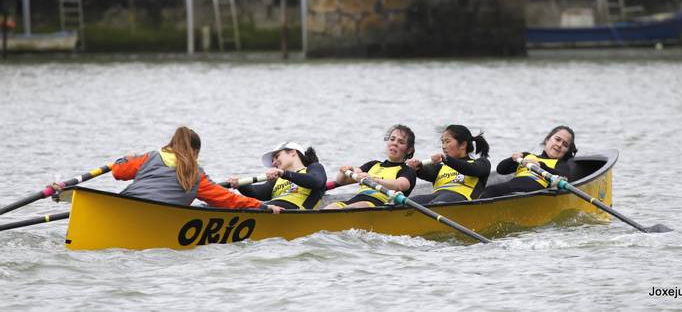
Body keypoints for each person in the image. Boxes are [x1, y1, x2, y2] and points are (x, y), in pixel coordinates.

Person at [62, 127, 281, 212]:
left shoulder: (148, 157)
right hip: (161, 215)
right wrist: (262, 207)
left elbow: (118, 172)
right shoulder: (196, 174)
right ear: (194, 152)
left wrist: (125, 159)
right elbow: (227, 200)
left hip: (125, 205)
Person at [322, 124, 417, 209]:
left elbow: (400, 185)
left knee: (352, 208)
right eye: (392, 139)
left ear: (409, 150)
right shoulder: (373, 164)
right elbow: (341, 181)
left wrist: (374, 180)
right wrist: (345, 172)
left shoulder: (407, 171)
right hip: (355, 200)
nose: (395, 143)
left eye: (401, 142)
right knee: (331, 207)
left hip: (378, 204)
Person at [480, 125, 577, 199]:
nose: (559, 145)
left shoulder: (561, 164)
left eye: (565, 144)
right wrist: (512, 159)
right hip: (511, 187)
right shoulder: (527, 156)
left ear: (567, 150)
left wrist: (540, 166)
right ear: (547, 140)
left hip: (531, 192)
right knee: (490, 190)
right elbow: (501, 169)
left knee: (493, 190)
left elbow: (563, 176)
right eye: (557, 139)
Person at [228, 142, 327, 210]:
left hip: (296, 211)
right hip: (271, 209)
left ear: (292, 152)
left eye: (277, 156)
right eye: (272, 161)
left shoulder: (314, 168)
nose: (274, 162)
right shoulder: (277, 180)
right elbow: (257, 192)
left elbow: (315, 181)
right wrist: (240, 184)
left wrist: (284, 174)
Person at [406, 125, 491, 204]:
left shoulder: (482, 163)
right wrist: (418, 168)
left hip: (461, 199)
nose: (443, 146)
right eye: (442, 142)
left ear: (463, 145)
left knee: (440, 201)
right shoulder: (440, 168)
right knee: (409, 202)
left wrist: (447, 159)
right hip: (436, 196)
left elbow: (472, 169)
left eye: (447, 142)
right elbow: (427, 172)